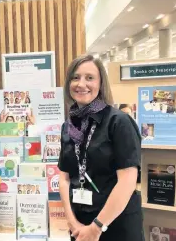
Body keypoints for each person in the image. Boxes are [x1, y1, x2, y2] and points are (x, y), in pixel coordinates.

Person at [58, 54, 143, 241]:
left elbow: (128, 180)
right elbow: (64, 178)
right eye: (75, 77)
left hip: (115, 224)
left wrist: (97, 227)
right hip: (80, 224)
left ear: (101, 83)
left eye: (90, 78)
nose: (81, 84)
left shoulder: (119, 122)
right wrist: (72, 222)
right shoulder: (69, 126)